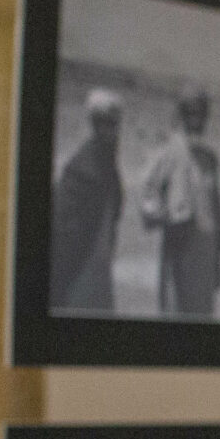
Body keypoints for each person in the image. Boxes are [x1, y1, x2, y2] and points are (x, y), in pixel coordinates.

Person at [137, 85, 220, 317]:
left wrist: (218, 259)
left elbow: (217, 210)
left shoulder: (210, 159)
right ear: (182, 114)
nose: (196, 118)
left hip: (205, 255)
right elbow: (148, 193)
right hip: (179, 250)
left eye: (200, 113)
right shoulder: (168, 152)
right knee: (176, 310)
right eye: (190, 112)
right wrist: (165, 215)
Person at [50, 87, 126, 313]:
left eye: (114, 124)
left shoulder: (106, 165)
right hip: (78, 272)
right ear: (95, 124)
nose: (112, 130)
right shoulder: (81, 169)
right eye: (106, 123)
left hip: (98, 269)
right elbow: (63, 231)